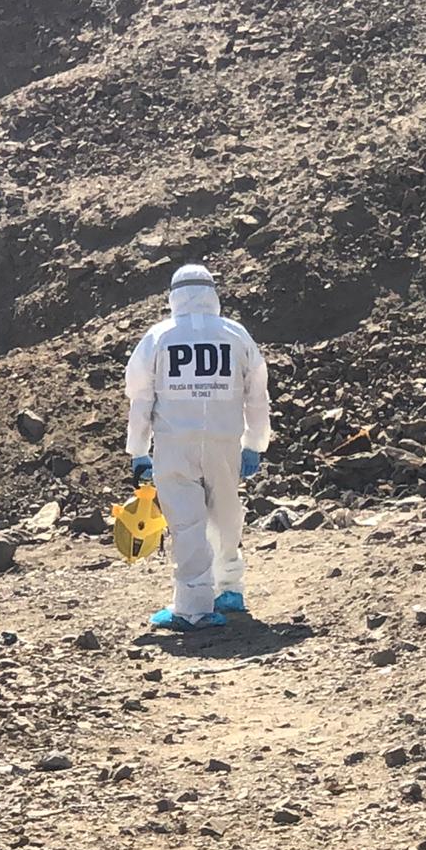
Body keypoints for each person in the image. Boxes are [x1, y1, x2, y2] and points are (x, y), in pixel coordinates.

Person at [124, 264, 271, 630]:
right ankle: (230, 589)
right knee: (226, 516)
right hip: (225, 442)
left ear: (174, 296)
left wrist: (139, 450)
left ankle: (193, 607)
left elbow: (141, 398)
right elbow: (257, 394)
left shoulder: (160, 337)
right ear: (213, 294)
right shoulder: (235, 335)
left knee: (187, 523)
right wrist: (254, 443)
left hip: (175, 445)